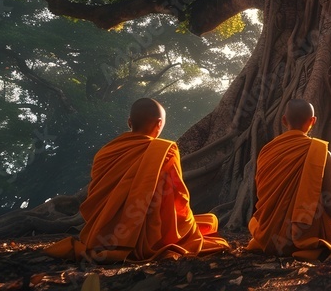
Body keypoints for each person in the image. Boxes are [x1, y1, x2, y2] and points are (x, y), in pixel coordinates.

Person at [45, 98, 230, 262]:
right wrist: (188, 231)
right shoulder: (164, 150)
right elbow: (177, 198)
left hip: (103, 235)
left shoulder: (105, 153)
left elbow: (98, 197)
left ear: (129, 122)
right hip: (150, 238)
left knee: (206, 222)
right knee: (207, 225)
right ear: (159, 124)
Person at [247, 99, 331, 260]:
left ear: (283, 120)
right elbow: (329, 200)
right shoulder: (321, 152)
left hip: (269, 237)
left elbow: (262, 198)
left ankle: (270, 242)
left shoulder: (266, 151)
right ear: (313, 121)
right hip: (304, 235)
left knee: (253, 223)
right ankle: (309, 249)